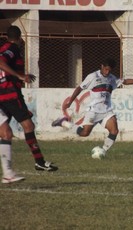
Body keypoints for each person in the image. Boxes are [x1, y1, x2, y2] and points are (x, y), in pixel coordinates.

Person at [52, 58, 133, 158]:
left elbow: (125, 81)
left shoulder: (111, 78)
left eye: (109, 70)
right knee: (84, 133)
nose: (107, 72)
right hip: (94, 111)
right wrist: (70, 102)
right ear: (102, 66)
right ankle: (63, 122)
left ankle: (102, 151)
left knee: (114, 131)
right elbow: (79, 88)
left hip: (107, 111)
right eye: (106, 69)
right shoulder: (93, 76)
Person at [0, 25, 58, 182]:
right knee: (28, 126)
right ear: (19, 38)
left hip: (3, 94)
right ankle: (39, 162)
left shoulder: (5, 46)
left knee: (5, 133)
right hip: (9, 95)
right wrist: (19, 76)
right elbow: (1, 61)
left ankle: (8, 174)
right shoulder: (12, 48)